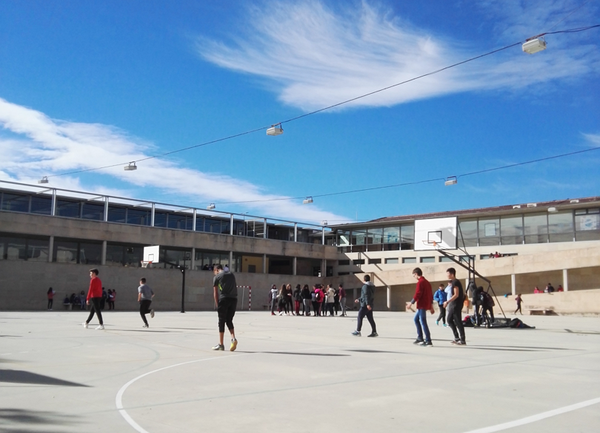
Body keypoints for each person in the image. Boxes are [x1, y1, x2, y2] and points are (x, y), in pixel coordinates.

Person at [212, 264, 238, 351]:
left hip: (224, 299)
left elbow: (215, 293)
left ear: (216, 270)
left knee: (221, 321)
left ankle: (221, 344)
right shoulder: (231, 274)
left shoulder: (217, 277)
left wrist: (217, 304)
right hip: (234, 299)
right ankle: (233, 338)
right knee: (229, 320)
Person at [406, 268, 434, 346]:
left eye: (414, 275)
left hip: (422, 305)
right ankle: (420, 337)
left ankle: (428, 340)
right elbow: (430, 295)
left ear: (416, 274)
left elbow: (418, 294)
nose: (414, 277)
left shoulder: (420, 282)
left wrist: (411, 303)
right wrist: (431, 306)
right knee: (416, 319)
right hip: (425, 304)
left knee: (423, 321)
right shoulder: (427, 282)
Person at [443, 268, 466, 345]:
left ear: (452, 274)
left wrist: (447, 301)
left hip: (456, 304)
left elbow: (456, 295)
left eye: (447, 273)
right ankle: (457, 338)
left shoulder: (455, 282)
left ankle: (462, 340)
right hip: (453, 304)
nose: (446, 275)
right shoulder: (453, 282)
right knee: (449, 320)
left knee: (458, 321)